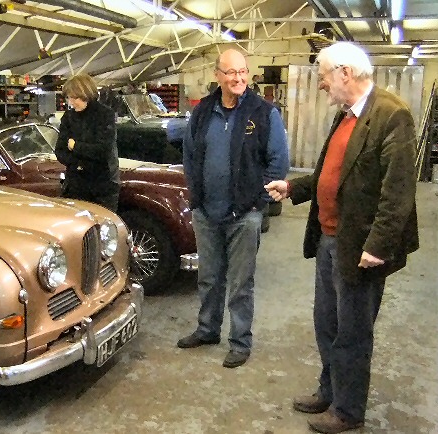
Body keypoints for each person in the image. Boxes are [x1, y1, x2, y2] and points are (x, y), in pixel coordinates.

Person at [265, 42, 419, 433]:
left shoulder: (391, 115)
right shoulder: (346, 116)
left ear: (344, 73)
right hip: (330, 239)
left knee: (352, 331)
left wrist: (378, 246)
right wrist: (294, 188)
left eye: (323, 78)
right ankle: (329, 390)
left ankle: (349, 411)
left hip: (360, 246)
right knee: (327, 324)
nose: (322, 86)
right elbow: (330, 176)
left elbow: (398, 192)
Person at [178, 49, 289, 368]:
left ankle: (240, 341)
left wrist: (257, 202)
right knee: (209, 278)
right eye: (231, 72)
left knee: (241, 283)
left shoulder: (264, 113)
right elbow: (189, 155)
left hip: (245, 215)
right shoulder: (201, 113)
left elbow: (278, 162)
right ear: (218, 75)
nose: (238, 78)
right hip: (207, 213)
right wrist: (196, 192)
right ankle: (207, 329)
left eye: (242, 72)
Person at [54, 74, 120, 211]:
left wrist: (75, 146)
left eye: (74, 97)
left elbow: (103, 150)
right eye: (68, 97)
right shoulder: (68, 117)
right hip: (75, 185)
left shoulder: (105, 115)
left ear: (86, 94)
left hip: (102, 186)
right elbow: (60, 151)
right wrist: (79, 164)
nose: (71, 102)